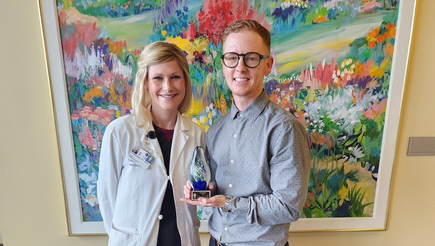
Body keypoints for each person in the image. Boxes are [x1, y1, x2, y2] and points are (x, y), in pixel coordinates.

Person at [181, 19, 311, 246]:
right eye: (232, 58)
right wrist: (203, 192)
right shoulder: (216, 130)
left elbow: (288, 206)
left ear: (268, 65)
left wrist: (228, 203)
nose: (240, 67)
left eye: (251, 58)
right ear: (223, 65)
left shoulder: (284, 128)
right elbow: (216, 189)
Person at [97, 41, 205, 246]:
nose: (168, 86)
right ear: (145, 82)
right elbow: (107, 197)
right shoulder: (120, 132)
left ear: (185, 81)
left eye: (175, 77)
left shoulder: (197, 135)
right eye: (158, 78)